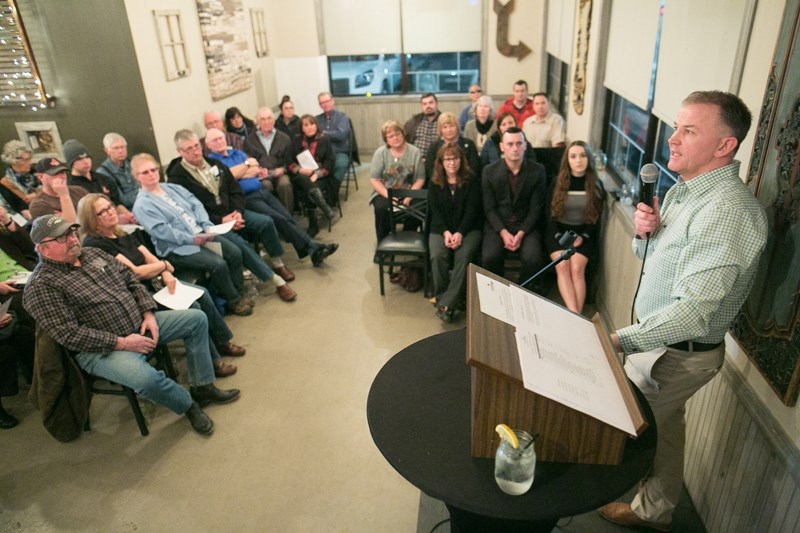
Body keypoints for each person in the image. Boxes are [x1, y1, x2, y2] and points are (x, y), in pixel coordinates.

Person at [597, 91, 768, 532]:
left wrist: (616, 340)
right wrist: (642, 233)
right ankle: (654, 512)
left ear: (724, 145)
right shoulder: (681, 193)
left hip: (677, 353)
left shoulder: (727, 211)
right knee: (666, 430)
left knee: (622, 430)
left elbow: (693, 312)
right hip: (656, 342)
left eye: (689, 131)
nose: (673, 139)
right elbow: (652, 257)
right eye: (676, 127)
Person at [23, 214, 242, 436]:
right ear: (42, 249)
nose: (71, 239)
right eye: (61, 238)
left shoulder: (93, 254)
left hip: (139, 323)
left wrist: (148, 313)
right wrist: (123, 342)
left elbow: (130, 280)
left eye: (71, 232)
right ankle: (188, 405)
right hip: (100, 349)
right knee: (146, 380)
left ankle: (202, 387)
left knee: (196, 318)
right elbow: (69, 334)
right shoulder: (41, 286)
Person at [78, 193, 244, 378]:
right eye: (103, 211)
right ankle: (213, 362)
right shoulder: (96, 244)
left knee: (202, 293)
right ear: (92, 220)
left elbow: (148, 256)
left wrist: (165, 272)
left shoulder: (119, 232)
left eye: (110, 207)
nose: (110, 212)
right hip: (135, 294)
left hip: (155, 281)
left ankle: (222, 342)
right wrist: (164, 265)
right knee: (193, 306)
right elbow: (135, 272)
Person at [131, 153, 268, 315]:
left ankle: (238, 293)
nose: (151, 174)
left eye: (153, 169)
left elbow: (196, 204)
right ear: (136, 177)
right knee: (218, 264)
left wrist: (206, 225)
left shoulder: (172, 188)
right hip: (177, 248)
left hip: (201, 234)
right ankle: (234, 301)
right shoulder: (142, 205)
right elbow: (164, 233)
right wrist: (193, 238)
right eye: (145, 172)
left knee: (235, 253)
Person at [189, 129, 337, 268]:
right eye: (214, 140)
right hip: (246, 198)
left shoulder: (237, 153)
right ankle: (314, 247)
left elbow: (255, 169)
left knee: (286, 216)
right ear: (208, 145)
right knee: (277, 218)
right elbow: (229, 177)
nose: (219, 141)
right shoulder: (212, 162)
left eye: (221, 138)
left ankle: (312, 250)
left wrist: (241, 171)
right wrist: (245, 167)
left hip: (261, 190)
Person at [481, 127, 547, 288]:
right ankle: (497, 292)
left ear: (525, 145)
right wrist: (503, 232)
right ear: (502, 147)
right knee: (489, 257)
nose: (515, 148)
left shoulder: (537, 171)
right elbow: (489, 208)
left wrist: (520, 233)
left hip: (526, 225)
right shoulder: (489, 172)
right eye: (510, 144)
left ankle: (522, 291)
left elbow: (536, 209)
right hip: (498, 224)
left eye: (519, 143)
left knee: (533, 258)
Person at [545, 141, 604, 314]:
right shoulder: (557, 182)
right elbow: (549, 217)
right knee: (563, 265)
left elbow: (594, 220)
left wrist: (583, 237)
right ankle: (576, 315)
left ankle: (573, 315)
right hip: (557, 233)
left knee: (577, 269)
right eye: (573, 156)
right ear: (567, 160)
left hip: (584, 234)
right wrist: (558, 237)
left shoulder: (595, 185)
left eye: (583, 156)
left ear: (589, 159)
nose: (578, 160)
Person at [428, 144, 482, 323]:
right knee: (437, 255)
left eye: (455, 158)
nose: (451, 163)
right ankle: (446, 298)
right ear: (441, 162)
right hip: (441, 229)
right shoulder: (435, 181)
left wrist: (459, 233)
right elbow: (435, 211)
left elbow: (473, 211)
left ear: (461, 160)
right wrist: (446, 232)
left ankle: (446, 304)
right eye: (447, 159)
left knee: (464, 254)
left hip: (468, 229)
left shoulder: (472, 180)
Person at [0, 205, 36, 429]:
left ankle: (42, 379)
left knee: (24, 333)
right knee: (28, 311)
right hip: (7, 293)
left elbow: (30, 248)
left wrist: (7, 222)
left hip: (24, 277)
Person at [369, 120, 425, 242]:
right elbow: (374, 179)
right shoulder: (380, 153)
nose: (395, 138)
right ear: (386, 139)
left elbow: (420, 179)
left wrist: (409, 196)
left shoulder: (415, 152)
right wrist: (389, 196)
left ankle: (407, 236)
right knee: (381, 209)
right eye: (390, 136)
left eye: (397, 134)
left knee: (419, 208)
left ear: (403, 134)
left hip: (410, 191)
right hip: (386, 192)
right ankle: (383, 242)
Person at [63, 139, 136, 224]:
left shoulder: (104, 179)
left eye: (87, 157)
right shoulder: (70, 187)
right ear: (71, 163)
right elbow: (83, 217)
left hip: (117, 222)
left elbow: (117, 203)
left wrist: (129, 216)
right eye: (79, 159)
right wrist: (116, 219)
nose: (86, 162)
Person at [288, 114, 337, 236]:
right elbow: (288, 161)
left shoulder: (324, 140)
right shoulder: (296, 141)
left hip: (320, 177)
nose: (309, 127)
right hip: (301, 175)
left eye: (312, 124)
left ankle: (313, 224)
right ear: (302, 128)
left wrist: (317, 174)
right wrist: (299, 170)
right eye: (306, 125)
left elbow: (330, 162)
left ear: (316, 125)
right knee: (303, 180)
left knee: (308, 188)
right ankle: (324, 207)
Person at [243, 107, 295, 211]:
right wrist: (258, 171)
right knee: (265, 185)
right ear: (257, 121)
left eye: (269, 118)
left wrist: (283, 169)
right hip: (261, 175)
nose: (267, 122)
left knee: (284, 185)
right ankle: (274, 218)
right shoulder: (250, 140)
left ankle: (288, 218)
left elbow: (290, 161)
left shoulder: (284, 138)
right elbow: (248, 161)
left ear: (274, 120)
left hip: (280, 172)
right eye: (263, 119)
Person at [424, 112, 480, 184]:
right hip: (440, 184)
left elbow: (474, 168)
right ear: (440, 129)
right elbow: (430, 170)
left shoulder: (469, 144)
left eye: (451, 126)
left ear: (457, 126)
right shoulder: (434, 147)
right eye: (445, 127)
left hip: (466, 184)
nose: (449, 130)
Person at [28, 157, 86, 222]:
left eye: (62, 172)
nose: (62, 177)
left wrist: (63, 217)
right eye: (55, 174)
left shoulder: (79, 191)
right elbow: (70, 226)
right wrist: (64, 195)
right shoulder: (38, 205)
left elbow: (96, 214)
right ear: (41, 177)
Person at [94, 133, 140, 209]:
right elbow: (122, 200)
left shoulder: (134, 163)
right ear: (107, 150)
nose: (120, 151)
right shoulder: (103, 172)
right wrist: (145, 193)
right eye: (116, 148)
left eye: (123, 147)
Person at [315, 91, 351, 184]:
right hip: (322, 154)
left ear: (332, 101)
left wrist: (324, 133)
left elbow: (341, 135)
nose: (325, 104)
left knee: (341, 164)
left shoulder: (342, 117)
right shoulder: (317, 119)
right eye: (322, 103)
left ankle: (333, 188)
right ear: (320, 105)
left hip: (339, 152)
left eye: (327, 101)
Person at [1, 140, 40, 219]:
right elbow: (9, 212)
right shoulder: (4, 185)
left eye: (30, 159)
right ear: (14, 161)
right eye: (26, 160)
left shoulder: (38, 174)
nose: (30, 163)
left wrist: (37, 194)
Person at [403, 93, 441, 159]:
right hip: (417, 160)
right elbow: (405, 140)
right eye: (425, 104)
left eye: (431, 103)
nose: (428, 106)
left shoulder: (444, 120)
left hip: (438, 161)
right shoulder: (413, 122)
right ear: (422, 106)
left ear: (437, 104)